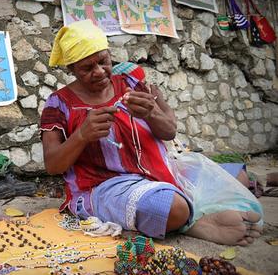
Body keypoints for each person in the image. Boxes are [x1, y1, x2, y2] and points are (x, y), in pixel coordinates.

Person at [40, 20, 262, 246]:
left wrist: (150, 113)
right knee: (172, 206)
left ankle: (181, 217)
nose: (99, 72)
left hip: (161, 169)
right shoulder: (58, 104)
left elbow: (169, 131)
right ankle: (193, 224)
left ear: (109, 55)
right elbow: (52, 165)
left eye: (103, 61)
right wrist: (81, 135)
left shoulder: (130, 83)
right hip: (105, 186)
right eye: (87, 68)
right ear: (71, 70)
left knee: (239, 177)